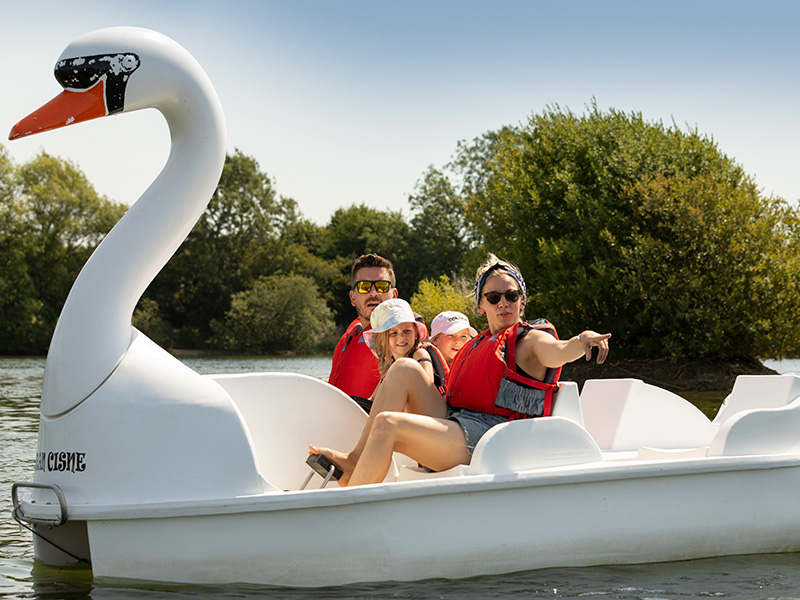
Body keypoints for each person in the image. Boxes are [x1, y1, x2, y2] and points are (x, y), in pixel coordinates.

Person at [311, 254, 611, 487]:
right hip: (456, 421)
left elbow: (558, 351)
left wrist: (581, 341)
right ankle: (354, 461)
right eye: (493, 297)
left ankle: (351, 509)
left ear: (522, 302)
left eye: (511, 296)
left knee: (388, 424)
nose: (503, 303)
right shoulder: (479, 342)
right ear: (481, 305)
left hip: (486, 438)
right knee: (403, 368)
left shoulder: (530, 341)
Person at [328, 254, 399, 409]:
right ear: (353, 298)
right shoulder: (350, 336)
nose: (373, 293)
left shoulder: (406, 335)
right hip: (338, 417)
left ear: (394, 295)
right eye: (364, 287)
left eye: (382, 286)